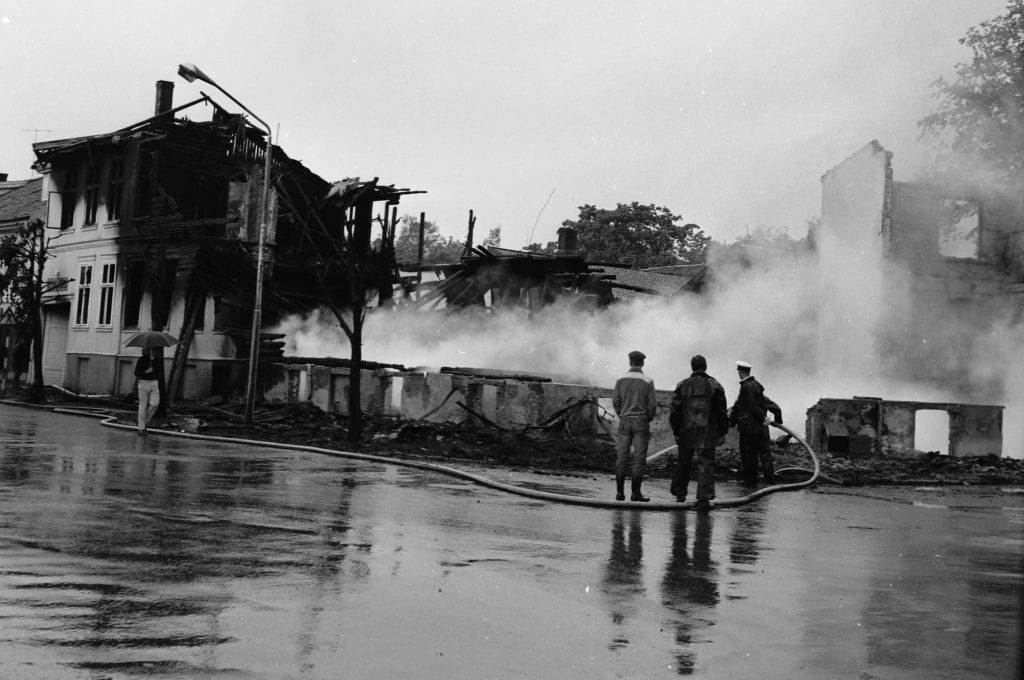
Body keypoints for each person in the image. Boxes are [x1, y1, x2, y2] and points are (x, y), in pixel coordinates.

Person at [668, 355, 728, 511]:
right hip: (708, 432)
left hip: (686, 430)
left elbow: (675, 412)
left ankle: (680, 494)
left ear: (692, 367)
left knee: (683, 462)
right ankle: (703, 498)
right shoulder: (715, 385)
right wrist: (722, 431)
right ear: (705, 367)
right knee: (706, 464)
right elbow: (722, 412)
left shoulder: (682, 385)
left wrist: (676, 430)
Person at [612, 350, 658, 502]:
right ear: (642, 362)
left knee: (622, 456)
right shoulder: (648, 381)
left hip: (625, 420)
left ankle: (619, 492)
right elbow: (652, 405)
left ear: (629, 361)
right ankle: (635, 493)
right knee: (639, 458)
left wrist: (622, 414)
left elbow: (616, 402)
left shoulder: (620, 379)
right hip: (641, 421)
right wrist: (647, 418)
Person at [729, 360, 782, 484]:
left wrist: (732, 421)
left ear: (740, 372)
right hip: (761, 428)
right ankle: (769, 482)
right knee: (765, 455)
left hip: (749, 428)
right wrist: (777, 418)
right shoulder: (757, 386)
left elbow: (748, 406)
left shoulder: (746, 387)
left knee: (748, 456)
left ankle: (749, 484)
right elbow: (768, 403)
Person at [134, 347, 160, 436]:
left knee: (155, 403)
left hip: (154, 382)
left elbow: (158, 371)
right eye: (146, 349)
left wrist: (154, 362)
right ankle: (141, 428)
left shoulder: (156, 359)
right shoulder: (141, 360)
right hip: (143, 382)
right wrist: (146, 371)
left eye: (149, 349)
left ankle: (144, 422)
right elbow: (137, 373)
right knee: (142, 406)